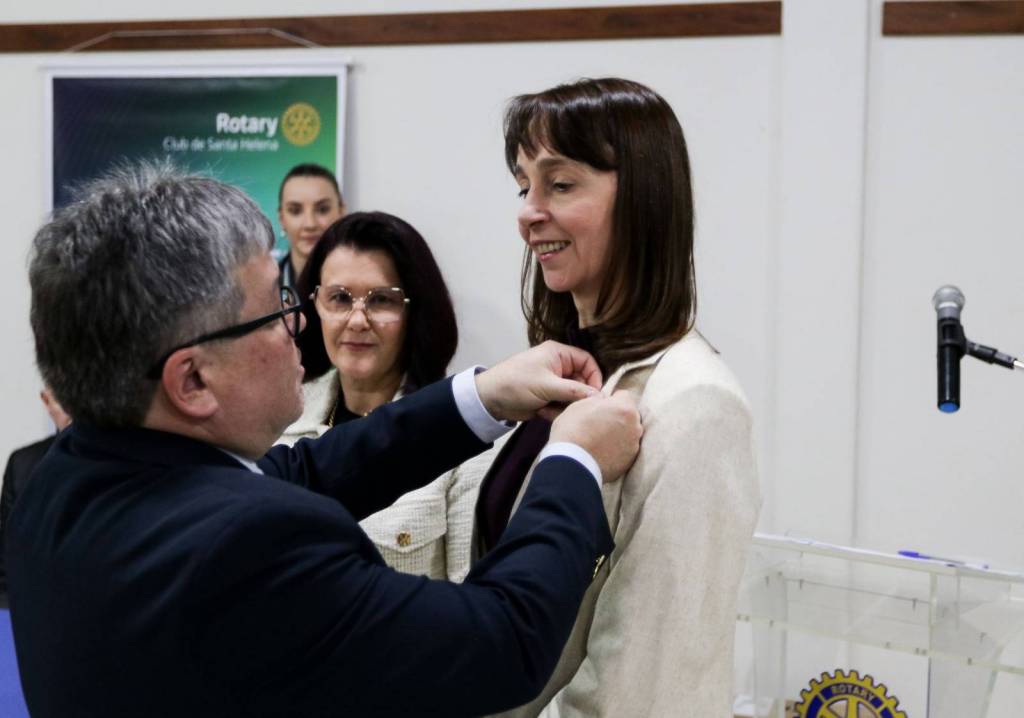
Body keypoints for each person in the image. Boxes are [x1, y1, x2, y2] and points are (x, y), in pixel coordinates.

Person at [8, 162, 644, 718]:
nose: (300, 327)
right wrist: (574, 459)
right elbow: (503, 643)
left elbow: (301, 472)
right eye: (276, 309)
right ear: (192, 380)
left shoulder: (59, 479)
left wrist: (482, 395)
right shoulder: (250, 546)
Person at [461, 78, 761, 717]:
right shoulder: (557, 375)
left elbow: (642, 688)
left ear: (645, 200)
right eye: (523, 186)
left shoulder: (697, 404)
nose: (528, 212)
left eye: (560, 185)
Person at [280, 211, 474, 580]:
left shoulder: (462, 435)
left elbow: (471, 596)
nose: (357, 320)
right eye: (339, 298)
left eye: (381, 300)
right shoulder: (279, 419)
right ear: (314, 306)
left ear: (415, 311)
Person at [0, 388, 70, 608]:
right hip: (32, 613)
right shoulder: (23, 465)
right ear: (47, 400)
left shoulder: (126, 461)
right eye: (63, 399)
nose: (72, 411)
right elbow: (6, 569)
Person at [277, 163, 346, 286]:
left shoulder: (364, 282)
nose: (310, 224)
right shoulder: (263, 289)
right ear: (282, 219)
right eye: (295, 211)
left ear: (341, 213)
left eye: (322, 209)